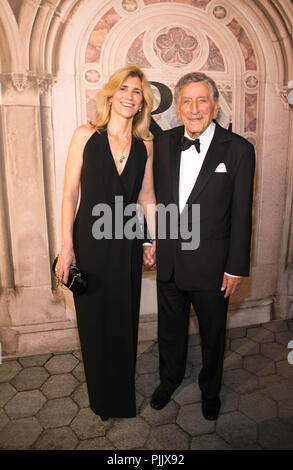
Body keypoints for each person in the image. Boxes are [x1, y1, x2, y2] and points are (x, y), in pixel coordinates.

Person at [151, 72, 255, 420]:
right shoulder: (162, 143)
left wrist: (236, 266)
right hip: (169, 260)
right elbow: (156, 200)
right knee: (169, 330)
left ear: (215, 106)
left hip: (213, 266)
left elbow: (242, 213)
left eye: (202, 100)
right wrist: (152, 240)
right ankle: (169, 380)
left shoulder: (239, 149)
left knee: (213, 335)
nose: (194, 108)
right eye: (187, 101)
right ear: (178, 107)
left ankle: (210, 389)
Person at [55, 66, 156, 420]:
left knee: (123, 320)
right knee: (94, 324)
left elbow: (147, 197)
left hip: (126, 244)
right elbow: (69, 195)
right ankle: (102, 399)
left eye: (137, 92)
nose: (130, 96)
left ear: (143, 102)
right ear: (112, 94)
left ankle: (121, 398)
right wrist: (66, 248)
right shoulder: (85, 135)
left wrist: (151, 239)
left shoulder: (146, 146)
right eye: (124, 89)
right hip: (89, 244)